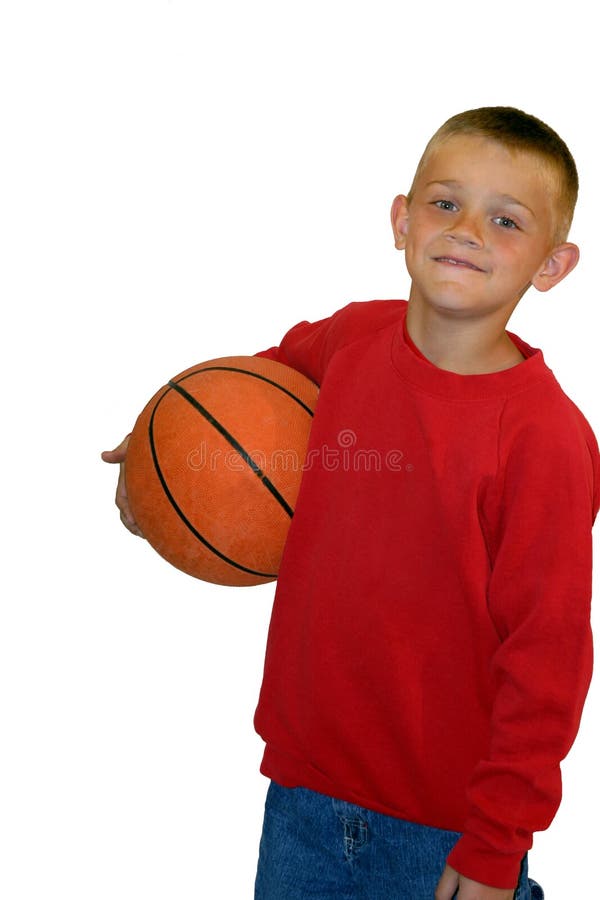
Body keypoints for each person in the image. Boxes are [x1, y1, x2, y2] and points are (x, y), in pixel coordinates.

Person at [103, 107, 600, 899]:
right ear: (402, 221)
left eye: (505, 220)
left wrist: (497, 844)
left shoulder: (544, 439)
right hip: (301, 798)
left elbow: (549, 660)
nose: (466, 230)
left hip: (444, 830)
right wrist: (158, 464)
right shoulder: (351, 341)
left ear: (551, 264)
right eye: (445, 203)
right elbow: (241, 404)